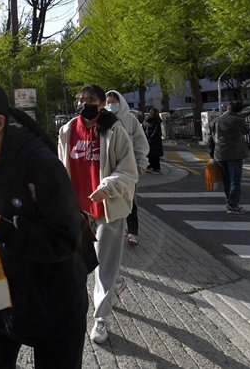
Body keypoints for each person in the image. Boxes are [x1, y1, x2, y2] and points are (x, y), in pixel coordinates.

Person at [0, 78, 88, 369]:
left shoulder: (41, 164)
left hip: (55, 304)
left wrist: (6, 230)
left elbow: (67, 239)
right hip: (1, 301)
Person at [58, 85, 138, 344]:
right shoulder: (67, 130)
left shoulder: (115, 130)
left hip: (108, 207)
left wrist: (107, 187)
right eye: (80, 99)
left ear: (102, 103)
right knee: (77, 262)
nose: (84, 104)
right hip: (76, 209)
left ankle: (101, 318)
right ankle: (115, 285)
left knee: (105, 263)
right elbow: (60, 166)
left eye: (90, 100)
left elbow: (128, 170)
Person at [105, 91, 149, 247]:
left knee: (131, 200)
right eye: (107, 102)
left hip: (128, 168)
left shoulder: (130, 120)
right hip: (108, 167)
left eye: (113, 102)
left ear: (121, 102)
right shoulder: (103, 120)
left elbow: (141, 142)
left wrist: (142, 162)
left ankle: (132, 232)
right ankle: (116, 230)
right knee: (110, 199)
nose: (110, 105)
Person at [208, 100, 250, 215]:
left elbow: (210, 139)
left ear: (227, 108)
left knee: (226, 181)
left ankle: (229, 202)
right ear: (239, 111)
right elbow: (247, 130)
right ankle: (233, 205)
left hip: (219, 154)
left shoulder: (214, 121)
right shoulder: (238, 120)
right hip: (235, 154)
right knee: (235, 181)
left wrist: (211, 154)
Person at [142, 108, 164, 175]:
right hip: (155, 141)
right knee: (156, 155)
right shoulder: (157, 120)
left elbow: (143, 129)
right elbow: (157, 131)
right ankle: (156, 168)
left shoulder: (146, 120)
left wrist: (146, 137)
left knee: (149, 154)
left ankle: (149, 166)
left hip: (147, 139)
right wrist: (151, 137)